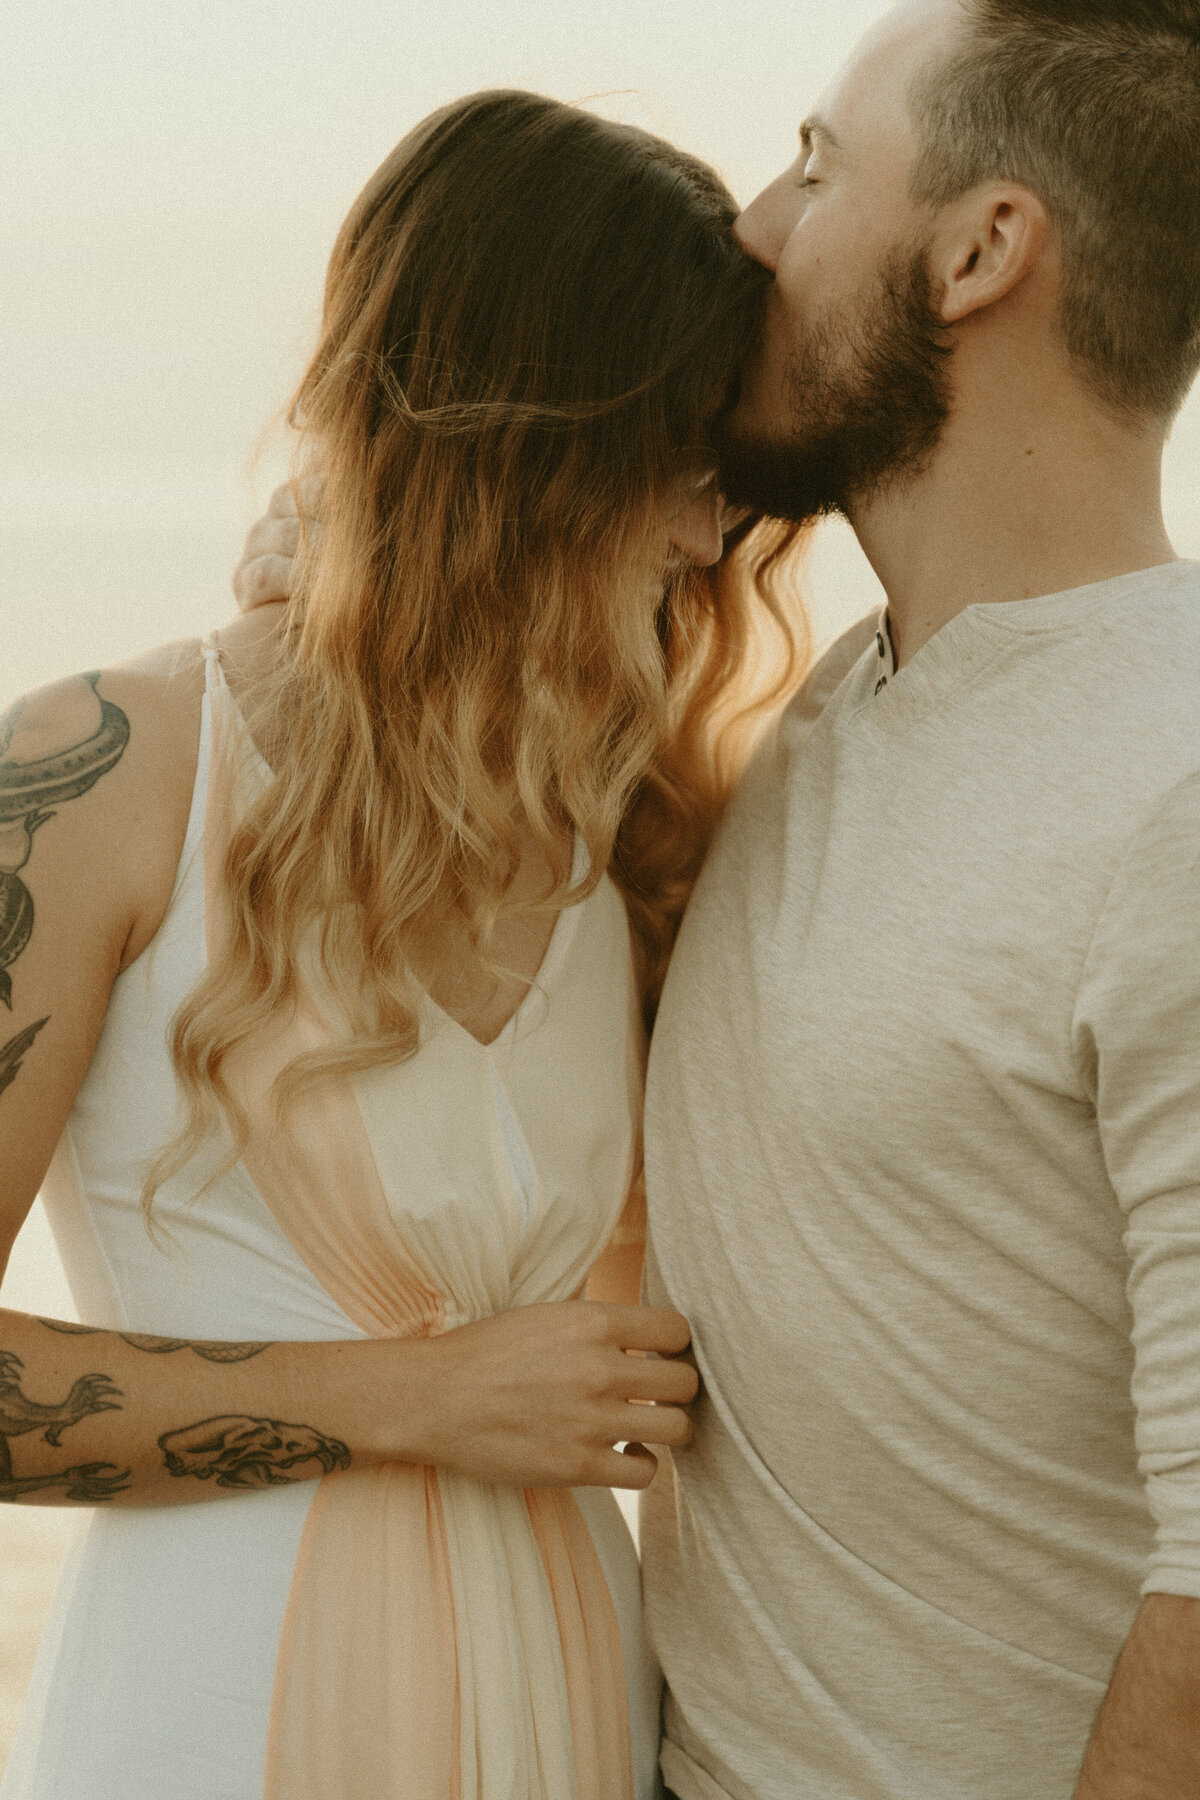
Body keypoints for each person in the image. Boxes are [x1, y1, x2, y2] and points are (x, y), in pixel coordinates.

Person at [0, 91, 806, 1800]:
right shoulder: (101, 779)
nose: (697, 534)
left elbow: (658, 1328)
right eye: (667, 457)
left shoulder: (632, 828)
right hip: (216, 1717)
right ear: (516, 437)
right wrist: (413, 1399)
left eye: (717, 469)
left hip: (580, 1699)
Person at [638, 1, 1200, 1797]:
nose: (750, 230)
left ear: (979, 251)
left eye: (815, 168)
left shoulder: (1174, 783)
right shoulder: (823, 713)